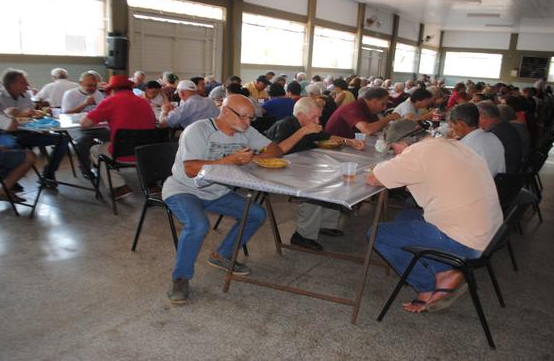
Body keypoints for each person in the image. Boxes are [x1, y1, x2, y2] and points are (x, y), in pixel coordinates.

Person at [162, 95, 284, 303]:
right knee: (198, 225)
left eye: (250, 118)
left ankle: (222, 255)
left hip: (217, 192)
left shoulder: (245, 130)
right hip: (184, 189)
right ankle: (180, 278)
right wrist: (229, 160)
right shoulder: (198, 130)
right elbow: (191, 170)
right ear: (225, 111)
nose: (248, 123)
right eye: (243, 117)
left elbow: (276, 150)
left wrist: (254, 158)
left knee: (256, 213)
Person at [366, 131, 502, 313]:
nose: (395, 154)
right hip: (489, 237)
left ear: (405, 142)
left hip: (464, 243)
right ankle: (444, 270)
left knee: (377, 233)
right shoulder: (453, 145)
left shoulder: (417, 152)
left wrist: (386, 168)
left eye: (394, 148)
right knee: (405, 217)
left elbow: (374, 178)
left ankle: (427, 285)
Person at [265, 97, 364, 250]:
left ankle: (325, 223)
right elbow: (278, 151)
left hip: (298, 166)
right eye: (314, 117)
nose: (318, 121)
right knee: (315, 189)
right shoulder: (286, 125)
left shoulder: (308, 125)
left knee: (334, 178)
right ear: (300, 115)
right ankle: (302, 235)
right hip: (274, 169)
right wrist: (303, 131)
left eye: (319, 117)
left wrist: (349, 141)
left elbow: (326, 136)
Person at [79, 75, 156, 199]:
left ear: (112, 90)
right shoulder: (144, 102)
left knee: (96, 149)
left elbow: (84, 123)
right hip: (146, 152)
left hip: (124, 152)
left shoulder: (110, 101)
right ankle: (151, 184)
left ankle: (118, 187)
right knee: (115, 143)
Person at [0, 69, 69, 185]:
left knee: (63, 139)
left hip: (27, 132)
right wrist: (21, 115)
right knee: (11, 145)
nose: (28, 85)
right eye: (23, 82)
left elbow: (31, 117)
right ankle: (9, 179)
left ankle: (48, 173)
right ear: (11, 84)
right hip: (5, 133)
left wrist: (38, 114)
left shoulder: (25, 96)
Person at [0, 73, 35, 202]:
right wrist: (11, 113)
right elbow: (11, 126)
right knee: (29, 156)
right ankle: (3, 190)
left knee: (1, 149)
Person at [448, 103, 505, 176]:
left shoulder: (464, 147)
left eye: (452, 125)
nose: (452, 129)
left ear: (461, 124)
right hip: (496, 185)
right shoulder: (493, 137)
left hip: (478, 186)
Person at [325, 87, 398, 138]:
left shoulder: (369, 109)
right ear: (374, 101)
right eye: (383, 104)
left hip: (350, 141)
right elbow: (367, 130)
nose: (384, 108)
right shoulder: (354, 107)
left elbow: (376, 128)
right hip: (334, 144)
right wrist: (388, 118)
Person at [477, 101, 523, 174]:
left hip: (504, 175)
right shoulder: (503, 126)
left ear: (482, 116)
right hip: (509, 170)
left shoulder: (495, 134)